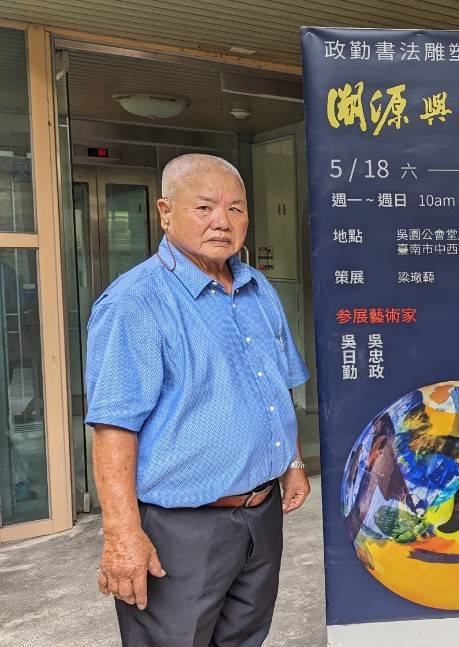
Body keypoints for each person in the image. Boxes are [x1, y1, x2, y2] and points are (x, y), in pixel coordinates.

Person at [85, 153, 311, 646]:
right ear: (165, 213)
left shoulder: (258, 289)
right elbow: (114, 427)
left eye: (236, 209)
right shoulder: (135, 302)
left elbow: (278, 387)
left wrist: (292, 463)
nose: (222, 222)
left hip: (261, 514)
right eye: (205, 207)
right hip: (181, 529)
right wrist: (122, 534)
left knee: (244, 638)